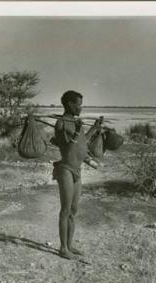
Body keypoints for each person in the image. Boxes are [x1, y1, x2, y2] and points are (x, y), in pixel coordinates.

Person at [50, 90, 101, 259]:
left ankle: (70, 245)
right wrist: (78, 131)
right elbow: (66, 147)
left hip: (77, 170)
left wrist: (95, 128)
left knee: (73, 210)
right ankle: (63, 248)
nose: (80, 107)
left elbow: (82, 143)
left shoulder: (76, 123)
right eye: (78, 104)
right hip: (65, 169)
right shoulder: (60, 124)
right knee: (65, 210)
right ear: (70, 104)